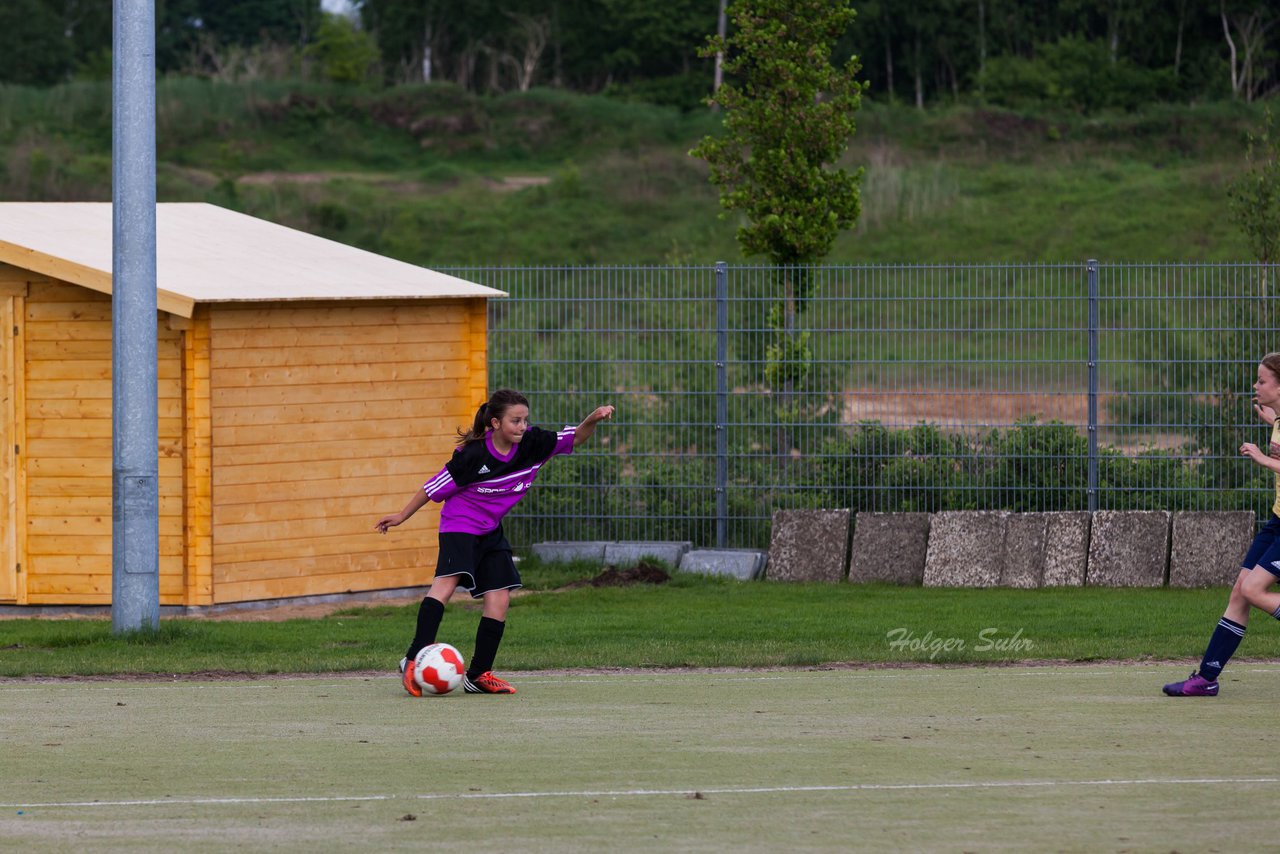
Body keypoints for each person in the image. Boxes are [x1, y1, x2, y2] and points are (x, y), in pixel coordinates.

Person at [376, 389, 614, 697]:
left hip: (490, 530)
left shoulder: (533, 444)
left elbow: (577, 437)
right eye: (515, 421)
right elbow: (432, 487)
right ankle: (413, 659)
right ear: (495, 423)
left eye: (525, 420)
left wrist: (592, 418)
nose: (521, 427)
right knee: (445, 586)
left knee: (500, 597)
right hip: (459, 525)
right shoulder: (473, 456)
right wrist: (401, 515)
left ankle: (478, 674)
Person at [1163, 352, 1280, 697]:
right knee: (1240, 592)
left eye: (1262, 380)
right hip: (1276, 521)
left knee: (1253, 590)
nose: (1255, 385)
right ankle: (1206, 677)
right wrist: (1271, 417)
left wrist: (1262, 457)